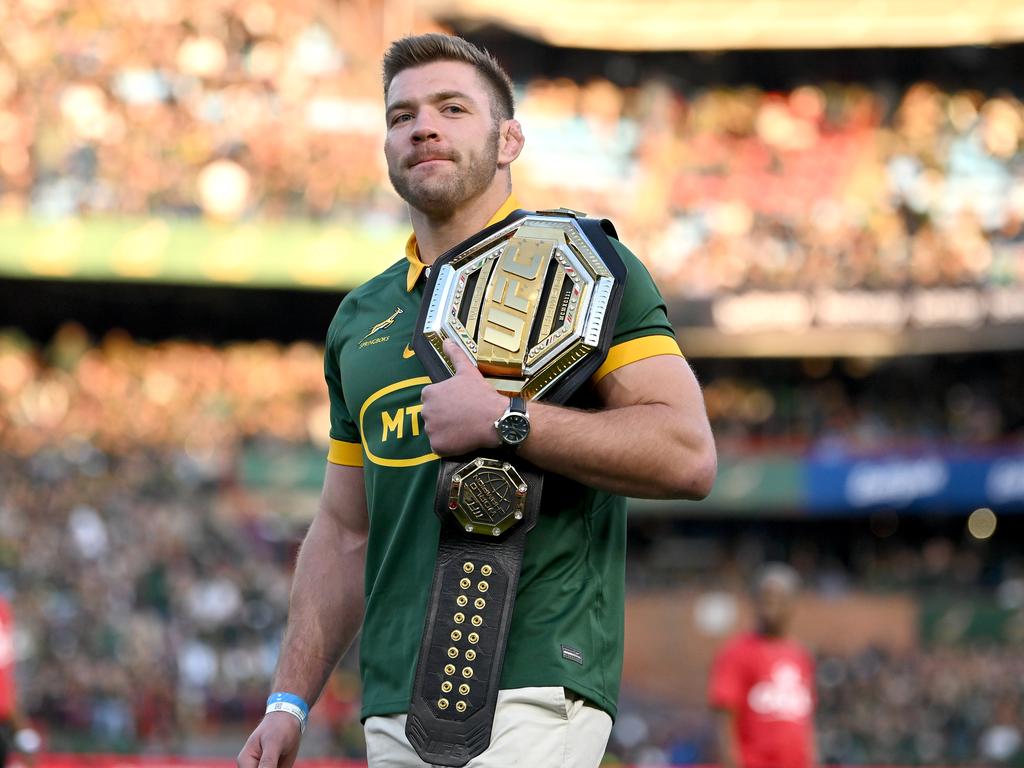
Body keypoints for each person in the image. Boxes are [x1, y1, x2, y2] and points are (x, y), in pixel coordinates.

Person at [238, 32, 716, 768]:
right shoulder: (360, 319)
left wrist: (505, 421)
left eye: (452, 108)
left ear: (509, 139)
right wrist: (288, 702)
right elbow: (341, 532)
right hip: (393, 703)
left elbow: (687, 456)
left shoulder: (590, 268)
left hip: (533, 682)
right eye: (401, 117)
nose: (422, 126)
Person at [708, 563, 816, 768]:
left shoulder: (801, 656)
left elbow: (806, 725)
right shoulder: (736, 653)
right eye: (765, 598)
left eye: (778, 598)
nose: (770, 605)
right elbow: (723, 724)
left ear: (793, 603)